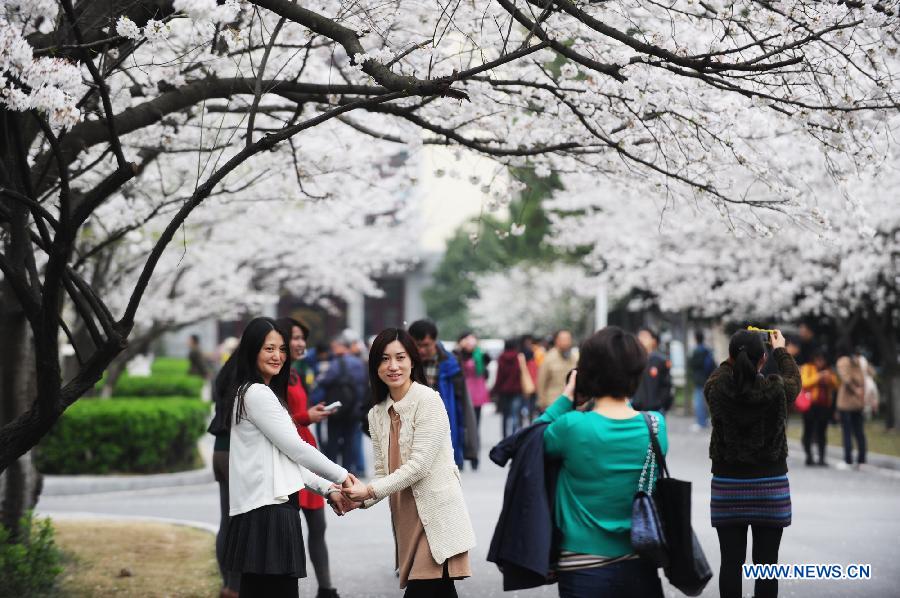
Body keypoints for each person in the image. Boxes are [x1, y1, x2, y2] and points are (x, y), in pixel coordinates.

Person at [223, 317, 364, 597]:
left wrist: (328, 489)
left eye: (281, 349)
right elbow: (297, 449)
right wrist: (343, 477)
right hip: (267, 514)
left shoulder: (255, 392)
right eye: (269, 349)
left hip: (268, 510)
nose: (278, 356)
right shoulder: (257, 394)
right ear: (252, 350)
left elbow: (285, 459)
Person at [343, 327, 475, 597]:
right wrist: (358, 499)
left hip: (434, 519)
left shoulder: (428, 400)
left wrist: (368, 491)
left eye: (400, 357)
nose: (393, 366)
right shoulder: (376, 413)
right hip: (405, 519)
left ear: (412, 361)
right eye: (384, 359)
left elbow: (419, 466)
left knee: (425, 590)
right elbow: (382, 472)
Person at [537, 326, 667, 598]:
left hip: (582, 564)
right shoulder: (656, 425)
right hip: (639, 560)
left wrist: (566, 398)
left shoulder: (571, 427)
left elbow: (530, 442)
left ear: (587, 372)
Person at [705, 329, 801, 598]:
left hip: (728, 488)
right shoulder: (776, 390)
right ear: (763, 359)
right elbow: (794, 380)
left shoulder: (717, 390)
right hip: (771, 488)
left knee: (731, 564)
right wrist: (780, 350)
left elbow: (716, 377)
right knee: (767, 565)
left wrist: (736, 352)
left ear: (730, 359)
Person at [275, 317, 341, 598]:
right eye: (295, 337)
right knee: (289, 530)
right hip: (289, 451)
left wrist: (309, 414)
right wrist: (305, 416)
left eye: (303, 337)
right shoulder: (274, 377)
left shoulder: (295, 374)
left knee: (318, 525)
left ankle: (326, 588)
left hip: (306, 446)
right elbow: (276, 420)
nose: (301, 343)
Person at [408, 319, 477, 468]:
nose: (421, 350)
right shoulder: (404, 364)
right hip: (412, 434)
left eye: (426, 345)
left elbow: (463, 407)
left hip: (443, 431)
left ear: (434, 341)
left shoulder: (451, 365)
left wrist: (468, 445)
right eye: (417, 345)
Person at [312, 334, 368, 476]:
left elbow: (324, 381)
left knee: (333, 440)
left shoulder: (336, 363)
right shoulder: (359, 363)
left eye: (335, 346)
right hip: (354, 408)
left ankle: (333, 472)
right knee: (350, 441)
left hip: (337, 409)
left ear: (342, 346)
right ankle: (348, 472)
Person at [208, 357, 240, 598]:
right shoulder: (247, 375)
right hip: (236, 453)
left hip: (220, 449)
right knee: (241, 521)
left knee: (226, 520)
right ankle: (235, 587)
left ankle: (228, 584)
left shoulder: (227, 370)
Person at [454, 332, 490, 470]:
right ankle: (461, 457)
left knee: (475, 426)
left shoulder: (480, 355)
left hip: (478, 393)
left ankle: (474, 457)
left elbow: (487, 364)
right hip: (463, 393)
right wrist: (460, 349)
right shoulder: (458, 355)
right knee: (462, 427)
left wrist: (477, 349)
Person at [799, 349, 837, 466]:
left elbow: (836, 385)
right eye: (818, 359)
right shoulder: (807, 368)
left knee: (822, 432)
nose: (820, 362)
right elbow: (804, 383)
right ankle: (809, 457)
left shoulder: (829, 370)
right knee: (808, 431)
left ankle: (821, 458)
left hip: (824, 406)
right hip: (810, 405)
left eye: (823, 360)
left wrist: (829, 378)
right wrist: (818, 377)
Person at [836, 347, 868, 468]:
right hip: (858, 402)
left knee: (848, 432)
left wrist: (855, 390)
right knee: (859, 432)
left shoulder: (843, 361)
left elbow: (846, 379)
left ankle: (848, 460)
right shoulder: (860, 362)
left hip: (846, 404)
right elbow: (864, 377)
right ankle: (862, 460)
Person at [631, 328, 673, 413]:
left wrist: (662, 404)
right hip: (635, 409)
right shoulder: (632, 360)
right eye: (640, 336)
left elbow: (667, 385)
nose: (641, 339)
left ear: (653, 341)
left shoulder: (661, 361)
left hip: (656, 409)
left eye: (645, 336)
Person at [536, 329, 578, 413]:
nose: (566, 343)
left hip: (571, 405)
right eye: (563, 339)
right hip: (552, 404)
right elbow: (541, 382)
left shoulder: (575, 358)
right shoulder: (548, 358)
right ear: (556, 341)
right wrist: (541, 403)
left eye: (568, 339)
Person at [493, 338, 525, 438]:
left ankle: (505, 436)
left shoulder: (501, 358)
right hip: (516, 390)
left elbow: (499, 376)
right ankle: (514, 436)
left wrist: (496, 389)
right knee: (515, 414)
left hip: (504, 391)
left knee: (505, 416)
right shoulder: (518, 357)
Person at [689, 330, 716, 429]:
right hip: (708, 378)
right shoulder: (707, 350)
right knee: (706, 401)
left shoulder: (697, 351)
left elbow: (693, 365)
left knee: (699, 401)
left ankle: (701, 422)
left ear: (696, 338)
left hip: (699, 380)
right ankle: (705, 420)